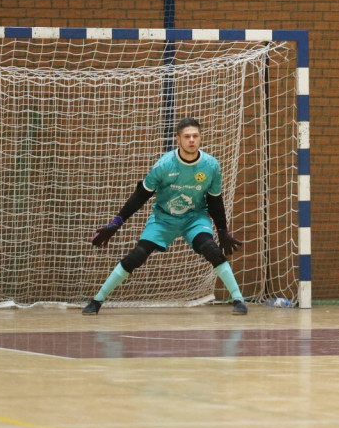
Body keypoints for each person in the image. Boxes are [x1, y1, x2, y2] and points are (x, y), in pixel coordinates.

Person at [82, 117, 247, 315]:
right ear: (178, 139)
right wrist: (116, 223)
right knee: (138, 254)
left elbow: (215, 200)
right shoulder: (164, 165)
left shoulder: (211, 165)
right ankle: (97, 300)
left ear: (200, 138)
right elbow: (140, 195)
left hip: (194, 218)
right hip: (163, 218)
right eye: (187, 136)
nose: (192, 140)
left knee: (210, 249)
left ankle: (238, 300)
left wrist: (222, 230)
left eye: (195, 136)